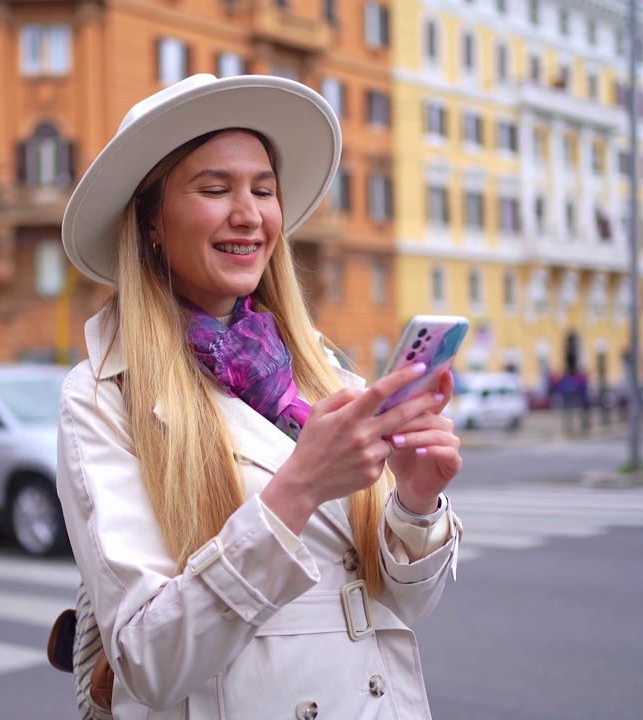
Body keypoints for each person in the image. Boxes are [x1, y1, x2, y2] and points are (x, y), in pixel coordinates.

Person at [56, 74, 464, 719]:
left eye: (264, 190)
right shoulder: (103, 396)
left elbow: (409, 604)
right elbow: (148, 662)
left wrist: (414, 501)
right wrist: (298, 489)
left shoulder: (324, 369)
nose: (249, 214)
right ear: (152, 223)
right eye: (215, 189)